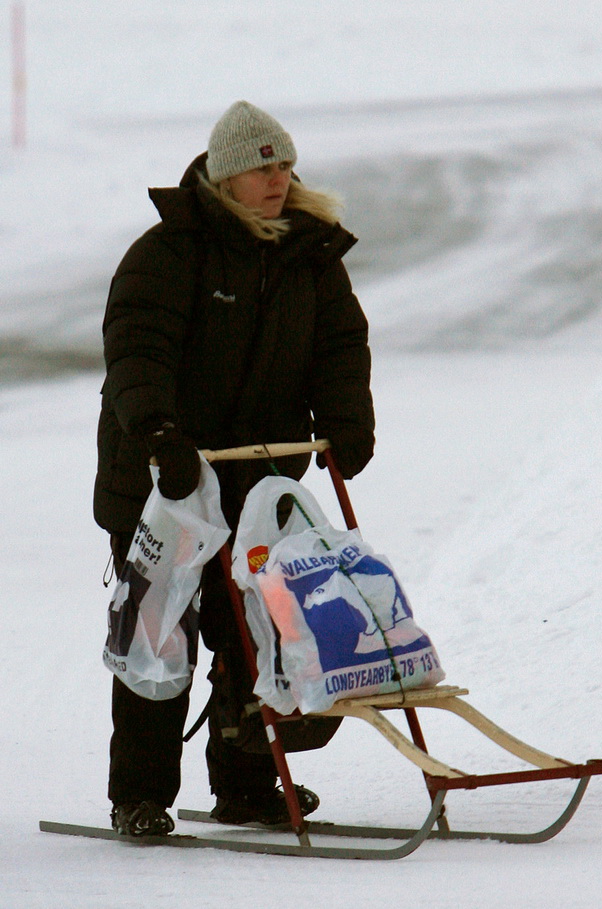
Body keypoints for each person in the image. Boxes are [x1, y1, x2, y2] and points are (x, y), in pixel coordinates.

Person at [93, 100, 376, 837]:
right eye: (262, 166)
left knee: (257, 627)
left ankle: (248, 782)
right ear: (227, 176)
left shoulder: (308, 252)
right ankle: (141, 794)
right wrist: (157, 432)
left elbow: (339, 348)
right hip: (169, 478)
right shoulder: (170, 252)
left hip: (256, 480)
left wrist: (348, 424)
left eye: (284, 163)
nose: (279, 177)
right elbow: (137, 348)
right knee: (160, 633)